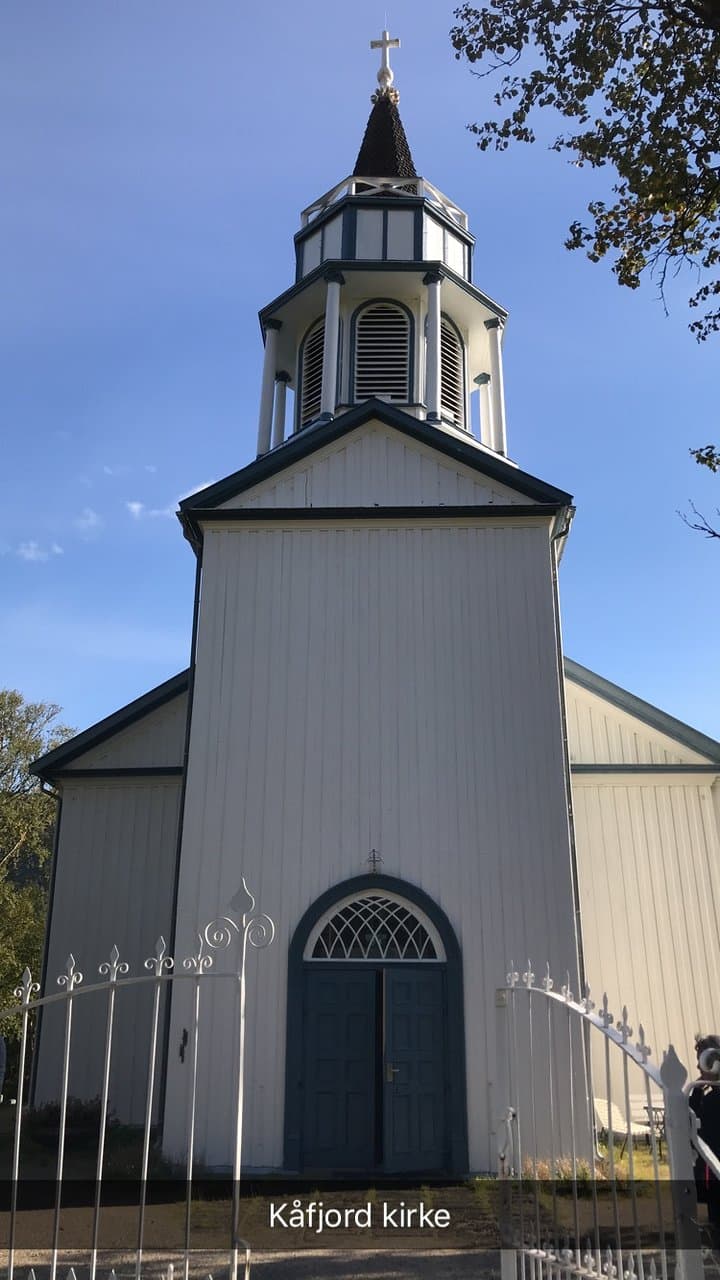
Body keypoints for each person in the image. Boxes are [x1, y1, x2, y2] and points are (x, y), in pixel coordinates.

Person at [689, 1035, 720, 1247]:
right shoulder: (709, 1097)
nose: (699, 1067)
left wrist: (698, 1090)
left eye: (703, 1061)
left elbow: (691, 1124)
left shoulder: (711, 1100)